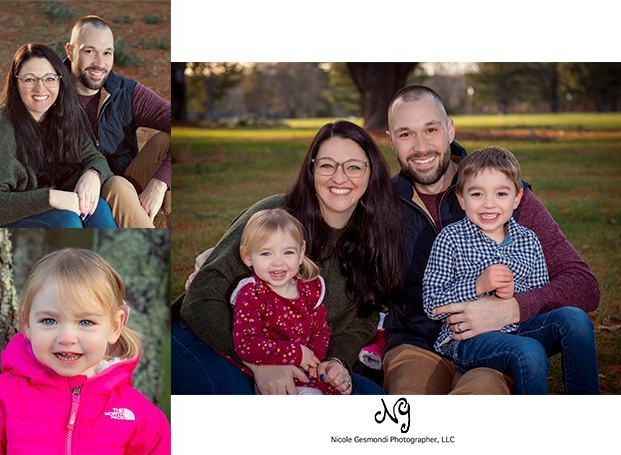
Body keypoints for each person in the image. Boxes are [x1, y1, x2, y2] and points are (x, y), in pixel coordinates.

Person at [382, 85, 601, 394]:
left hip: (497, 341)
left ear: (450, 129)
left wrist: (511, 308)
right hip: (414, 344)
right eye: (406, 134)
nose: (420, 147)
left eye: (430, 129)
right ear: (391, 141)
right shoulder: (381, 205)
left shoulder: (504, 194)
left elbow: (584, 286)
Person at [171, 120, 403, 395]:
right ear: (312, 169)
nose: (340, 178)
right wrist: (260, 363)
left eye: (353, 166)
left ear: (371, 172)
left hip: (303, 365)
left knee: (374, 398)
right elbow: (201, 297)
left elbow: (364, 316)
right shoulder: (275, 217)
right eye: (327, 165)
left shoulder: (376, 235)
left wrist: (338, 360)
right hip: (213, 341)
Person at [0, 15, 171, 227]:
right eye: (89, 51)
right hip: (64, 191)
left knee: (165, 146)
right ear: (70, 52)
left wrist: (159, 183)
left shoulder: (123, 93)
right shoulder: (45, 97)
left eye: (107, 53)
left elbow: (92, 154)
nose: (99, 63)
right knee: (105, 195)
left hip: (94, 182)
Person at [0, 249, 170, 454]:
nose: (66, 338)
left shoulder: (136, 413)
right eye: (49, 320)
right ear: (27, 323)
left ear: (114, 327)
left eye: (85, 322)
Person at [423, 146, 599, 394]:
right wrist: (477, 285)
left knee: (576, 320)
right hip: (469, 341)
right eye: (477, 195)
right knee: (529, 350)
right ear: (461, 199)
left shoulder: (528, 240)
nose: (489, 204)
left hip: (521, 328)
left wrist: (516, 297)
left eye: (501, 194)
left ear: (517, 198)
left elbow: (541, 294)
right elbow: (432, 303)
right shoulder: (450, 239)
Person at [0, 43, 116, 228]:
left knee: (96, 207)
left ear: (60, 81)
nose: (40, 88)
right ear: (16, 82)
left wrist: (93, 173)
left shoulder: (64, 118)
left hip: (32, 209)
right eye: (29, 79)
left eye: (49, 78)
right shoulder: (0, 129)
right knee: (65, 220)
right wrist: (52, 197)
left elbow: (94, 156)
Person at [233, 209, 340, 395]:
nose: (278, 263)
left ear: (301, 253)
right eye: (266, 254)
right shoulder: (252, 293)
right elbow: (245, 343)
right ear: (248, 256)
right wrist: (296, 354)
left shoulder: (310, 289)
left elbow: (321, 330)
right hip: (272, 377)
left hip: (307, 373)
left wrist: (312, 360)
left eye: (288, 252)